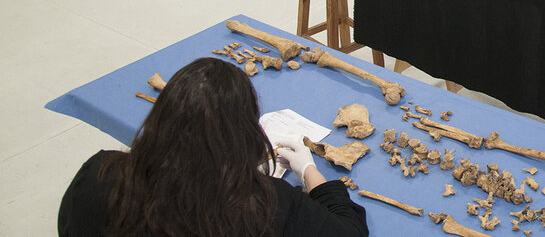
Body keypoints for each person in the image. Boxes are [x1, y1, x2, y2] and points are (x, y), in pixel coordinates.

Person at [58, 58, 369, 237]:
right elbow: (349, 232)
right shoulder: (265, 204)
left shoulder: (98, 175)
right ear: (243, 136)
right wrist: (309, 171)